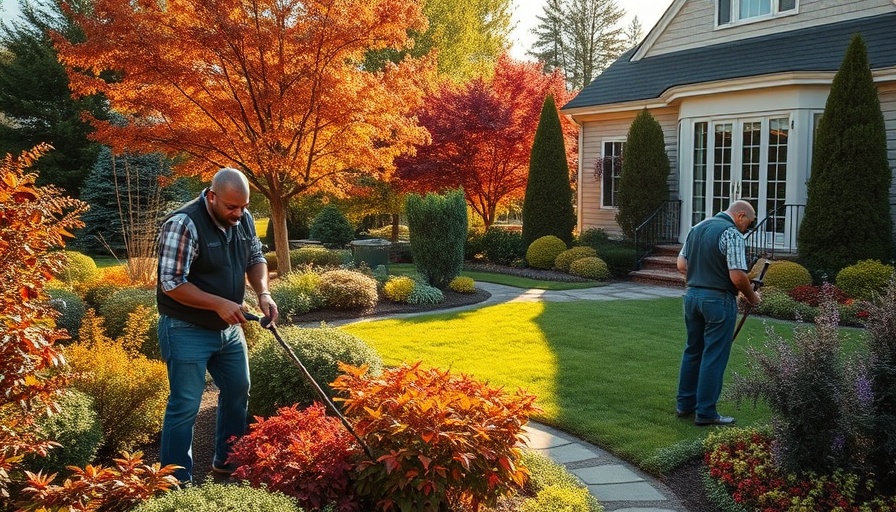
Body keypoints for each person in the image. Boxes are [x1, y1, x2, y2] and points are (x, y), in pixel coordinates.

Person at [156, 167, 278, 483]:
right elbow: (171, 282)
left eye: (244, 207)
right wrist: (219, 303)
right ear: (212, 196)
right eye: (231, 207)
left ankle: (227, 462)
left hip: (228, 329)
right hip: (185, 328)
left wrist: (262, 292)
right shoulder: (184, 224)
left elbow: (255, 259)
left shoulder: (243, 219)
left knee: (238, 389)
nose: (239, 213)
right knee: (185, 406)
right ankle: (175, 483)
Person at [675, 200, 760, 426]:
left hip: (692, 296)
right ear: (740, 215)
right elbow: (737, 276)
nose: (746, 229)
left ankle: (684, 404)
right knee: (714, 355)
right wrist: (752, 297)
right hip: (718, 300)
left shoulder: (697, 227)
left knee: (693, 350)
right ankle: (706, 412)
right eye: (748, 224)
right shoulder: (731, 234)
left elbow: (681, 265)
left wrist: (703, 272)